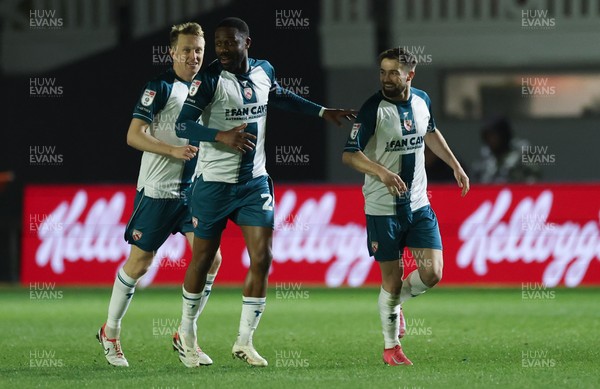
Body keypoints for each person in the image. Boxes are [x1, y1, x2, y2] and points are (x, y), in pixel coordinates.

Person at [175, 17, 356, 367]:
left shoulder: (264, 71)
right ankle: (187, 331)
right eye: (219, 43)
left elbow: (280, 96)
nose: (223, 49)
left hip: (254, 183)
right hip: (212, 184)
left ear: (247, 42)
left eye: (230, 42)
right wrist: (221, 136)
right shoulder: (209, 80)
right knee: (202, 260)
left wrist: (321, 111)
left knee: (262, 258)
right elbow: (183, 124)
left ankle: (244, 341)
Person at [97, 22, 222, 368]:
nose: (194, 56)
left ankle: (186, 333)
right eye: (186, 49)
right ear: (172, 52)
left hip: (191, 193)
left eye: (199, 49)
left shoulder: (206, 87)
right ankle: (111, 331)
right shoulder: (160, 87)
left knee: (211, 259)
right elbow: (133, 135)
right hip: (157, 190)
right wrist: (171, 150)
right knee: (141, 263)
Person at [342, 47, 469, 366]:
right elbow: (349, 154)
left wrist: (455, 165)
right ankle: (391, 348)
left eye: (393, 73)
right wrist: (382, 172)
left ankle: (394, 306)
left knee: (433, 273)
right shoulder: (372, 109)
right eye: (382, 72)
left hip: (418, 205)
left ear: (410, 75)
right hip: (383, 208)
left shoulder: (422, 100)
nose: (386, 78)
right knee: (392, 280)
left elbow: (431, 131)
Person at [470, 116, 541, 183]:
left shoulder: (521, 152)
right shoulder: (486, 156)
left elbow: (533, 179)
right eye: (488, 137)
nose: (491, 140)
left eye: (494, 136)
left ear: (503, 135)